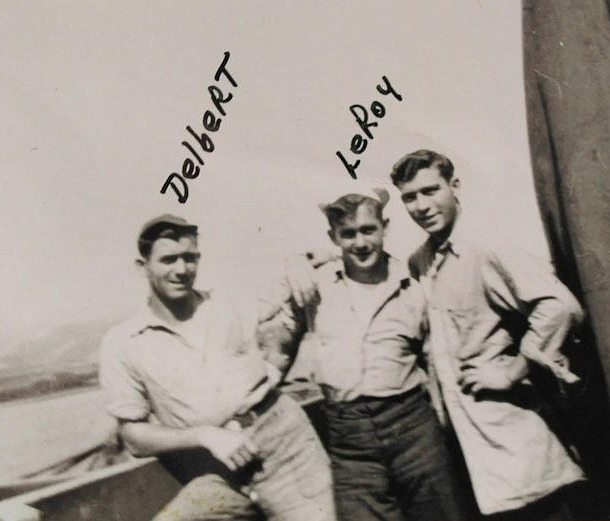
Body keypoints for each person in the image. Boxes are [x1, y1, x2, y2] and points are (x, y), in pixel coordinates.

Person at [389, 149, 585, 520]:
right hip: (471, 457)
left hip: (514, 444)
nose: (422, 205)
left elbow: (559, 306)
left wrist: (513, 370)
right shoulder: (420, 262)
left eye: (431, 190)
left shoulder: (484, 245)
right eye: (410, 197)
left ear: (455, 185)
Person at [99, 214, 335, 521]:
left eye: (189, 258)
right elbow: (132, 435)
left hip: (285, 448)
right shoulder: (123, 342)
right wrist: (205, 435)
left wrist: (298, 260)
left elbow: (315, 266)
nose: (181, 269)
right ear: (143, 267)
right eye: (168, 260)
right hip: (215, 468)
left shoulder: (230, 302)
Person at [257, 187, 464, 521]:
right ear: (334, 237)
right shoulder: (314, 285)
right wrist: (295, 262)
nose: (361, 243)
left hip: (413, 428)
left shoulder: (414, 282)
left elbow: (438, 357)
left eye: (369, 230)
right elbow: (277, 343)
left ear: (385, 227)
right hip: (349, 442)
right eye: (348, 234)